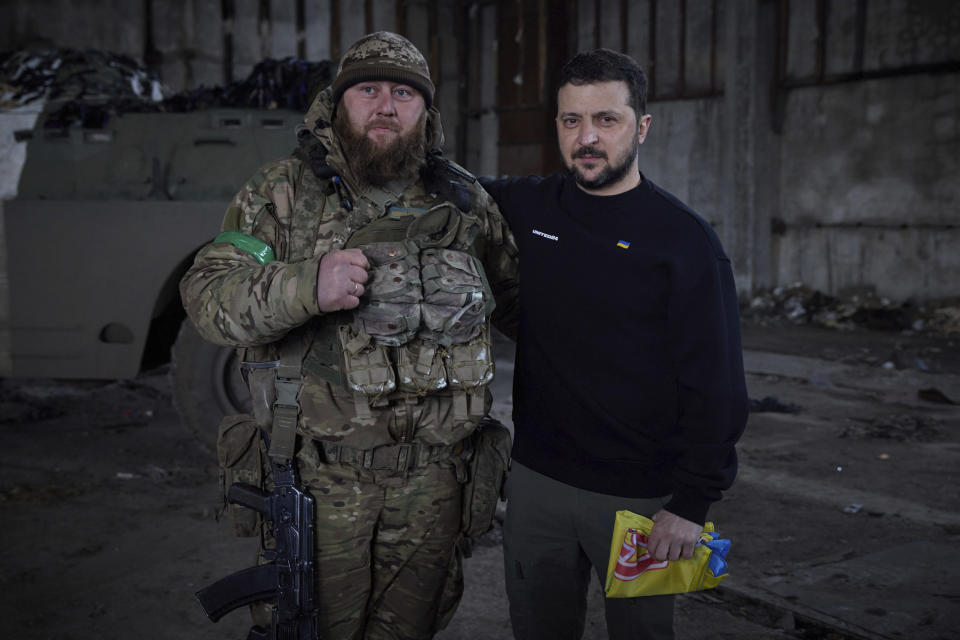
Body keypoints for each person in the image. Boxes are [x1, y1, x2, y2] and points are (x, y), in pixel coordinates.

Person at [180, 31, 519, 640]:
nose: (386, 105)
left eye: (403, 93)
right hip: (321, 479)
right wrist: (307, 285)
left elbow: (519, 305)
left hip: (436, 486)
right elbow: (207, 298)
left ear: (425, 112)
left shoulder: (466, 201)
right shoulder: (278, 193)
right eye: (368, 89)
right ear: (339, 103)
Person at [479, 49, 749, 640]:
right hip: (536, 486)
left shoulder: (684, 241)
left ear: (642, 126)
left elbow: (719, 384)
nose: (587, 138)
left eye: (607, 119)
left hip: (643, 501)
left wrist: (692, 503)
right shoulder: (530, 207)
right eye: (571, 120)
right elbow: (447, 184)